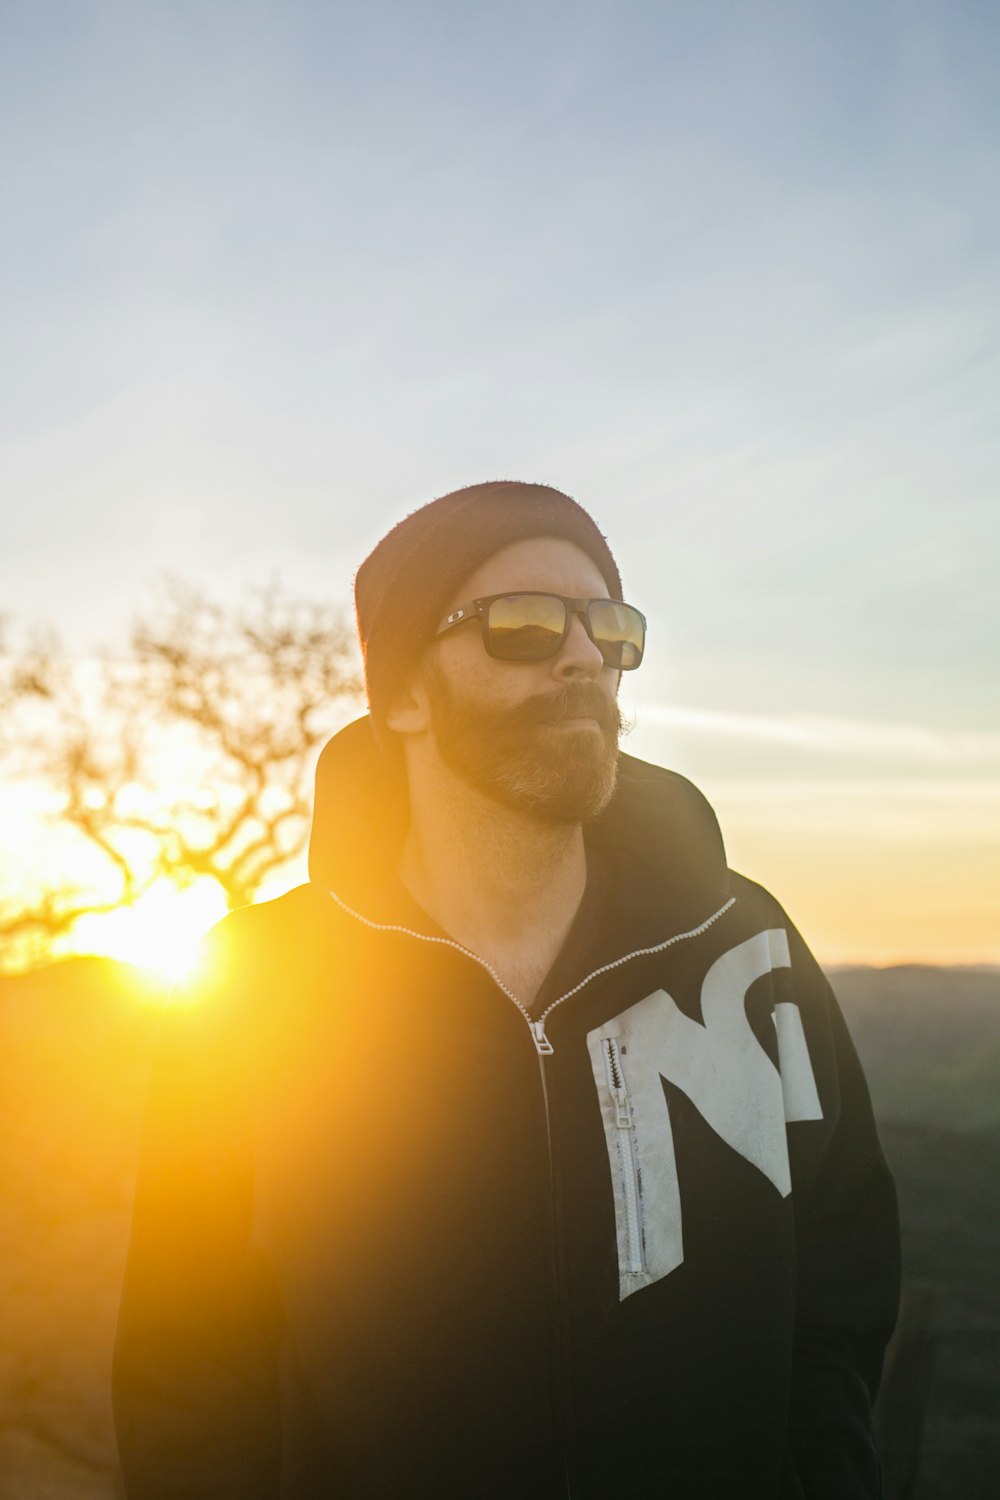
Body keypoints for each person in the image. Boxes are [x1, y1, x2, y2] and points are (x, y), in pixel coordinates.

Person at [113, 481, 900, 1498]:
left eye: (608, 628)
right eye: (521, 627)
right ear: (399, 695)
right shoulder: (257, 993)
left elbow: (841, 1277)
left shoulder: (744, 949)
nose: (582, 655)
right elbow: (187, 1370)